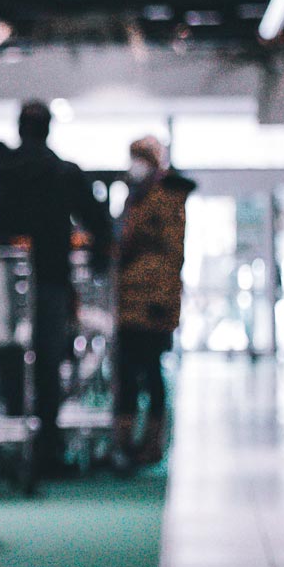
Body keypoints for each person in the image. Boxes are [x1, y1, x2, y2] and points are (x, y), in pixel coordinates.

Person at [0, 101, 111, 476]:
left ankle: (9, 439)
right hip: (52, 276)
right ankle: (46, 445)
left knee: (5, 354)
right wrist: (98, 261)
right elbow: (97, 220)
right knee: (48, 359)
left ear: (20, 128)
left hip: (4, 278)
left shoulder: (1, 170)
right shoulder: (64, 172)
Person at [112, 136, 193, 472]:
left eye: (140, 158)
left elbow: (172, 254)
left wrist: (163, 301)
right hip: (130, 298)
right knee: (127, 373)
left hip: (152, 302)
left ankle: (153, 441)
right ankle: (125, 442)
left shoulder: (166, 198)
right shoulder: (137, 197)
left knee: (150, 372)